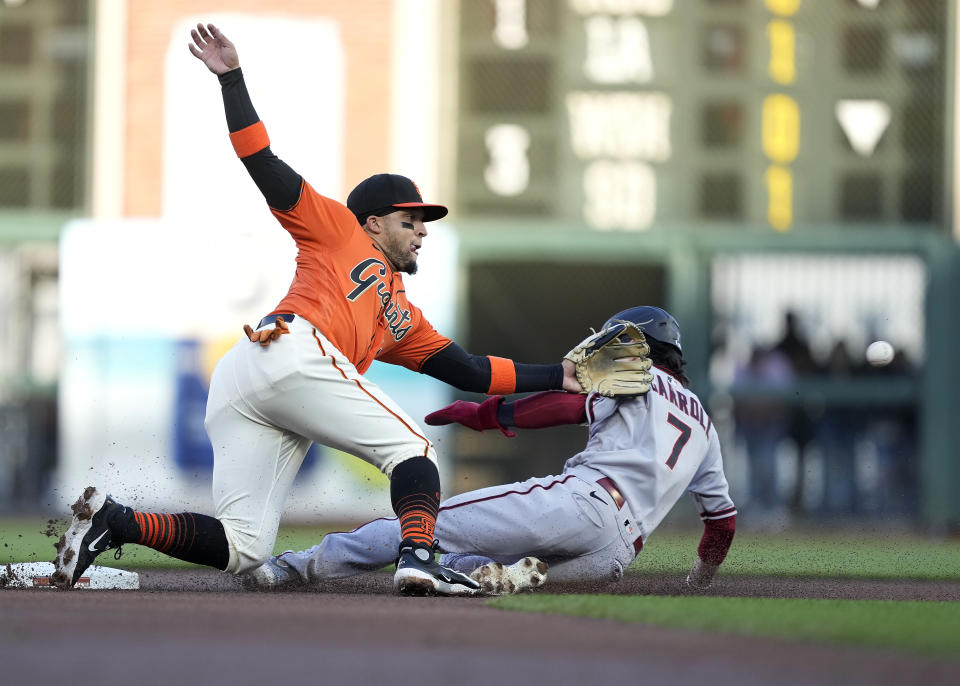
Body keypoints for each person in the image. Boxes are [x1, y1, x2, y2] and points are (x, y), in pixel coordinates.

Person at [51, 23, 597, 595]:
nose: (420, 232)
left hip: (250, 378)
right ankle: (419, 556)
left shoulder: (400, 317)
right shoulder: (336, 227)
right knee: (413, 447)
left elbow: (469, 371)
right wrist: (232, 79)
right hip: (288, 349)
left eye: (424, 223)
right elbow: (261, 161)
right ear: (373, 220)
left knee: (245, 549)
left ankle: (116, 522)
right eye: (408, 219)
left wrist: (557, 375)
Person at [246, 307, 738, 595]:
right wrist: (697, 581)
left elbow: (564, 407)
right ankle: (503, 575)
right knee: (469, 570)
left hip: (581, 504)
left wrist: (487, 414)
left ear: (642, 347)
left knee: (422, 528)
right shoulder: (706, 427)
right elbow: (722, 524)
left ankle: (290, 568)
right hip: (614, 555)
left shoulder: (638, 374)